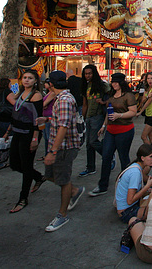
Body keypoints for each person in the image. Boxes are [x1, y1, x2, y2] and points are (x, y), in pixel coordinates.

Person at [42, 71, 84, 232]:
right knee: (51, 175)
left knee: (63, 179)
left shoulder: (65, 100)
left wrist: (53, 151)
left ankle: (62, 214)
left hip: (64, 147)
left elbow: (63, 127)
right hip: (58, 146)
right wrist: (47, 119)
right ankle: (74, 191)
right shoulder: (61, 99)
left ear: (51, 85)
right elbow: (62, 120)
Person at [89, 73, 137, 197]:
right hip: (111, 130)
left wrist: (119, 115)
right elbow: (109, 112)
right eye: (113, 82)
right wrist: (104, 126)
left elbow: (133, 112)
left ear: (122, 83)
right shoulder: (111, 95)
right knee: (106, 157)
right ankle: (102, 185)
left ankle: (127, 184)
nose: (114, 84)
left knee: (123, 157)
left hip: (125, 130)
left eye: (117, 82)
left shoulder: (128, 96)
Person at [5, 69, 45, 213]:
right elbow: (17, 113)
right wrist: (8, 131)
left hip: (29, 134)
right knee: (15, 163)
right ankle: (37, 176)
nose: (27, 80)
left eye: (30, 78)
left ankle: (23, 198)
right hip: (17, 132)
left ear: (35, 81)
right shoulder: (20, 94)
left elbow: (38, 119)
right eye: (25, 77)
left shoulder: (36, 96)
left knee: (26, 164)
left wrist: (35, 138)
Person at [79, 65, 109, 177]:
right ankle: (90, 167)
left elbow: (112, 98)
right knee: (88, 144)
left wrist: (104, 102)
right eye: (86, 73)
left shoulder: (102, 85)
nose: (88, 75)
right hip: (88, 117)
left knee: (93, 141)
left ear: (94, 73)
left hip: (98, 116)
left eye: (90, 73)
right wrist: (82, 117)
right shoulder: (85, 86)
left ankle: (108, 155)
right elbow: (85, 103)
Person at [115, 144, 152, 223]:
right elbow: (130, 200)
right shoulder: (135, 173)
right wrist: (147, 186)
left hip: (128, 207)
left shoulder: (135, 167)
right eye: (151, 156)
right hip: (126, 212)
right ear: (142, 158)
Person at [137, 71, 152, 145]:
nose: (150, 80)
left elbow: (149, 100)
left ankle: (150, 152)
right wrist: (147, 96)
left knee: (143, 136)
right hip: (148, 113)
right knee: (151, 136)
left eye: (151, 78)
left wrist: (141, 112)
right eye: (148, 78)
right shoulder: (147, 89)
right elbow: (143, 100)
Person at [40, 79, 56, 160]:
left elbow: (44, 104)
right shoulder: (48, 93)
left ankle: (49, 154)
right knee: (45, 136)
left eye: (46, 83)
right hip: (45, 115)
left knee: (48, 136)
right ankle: (46, 153)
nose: (45, 85)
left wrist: (43, 105)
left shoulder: (52, 93)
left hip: (49, 115)